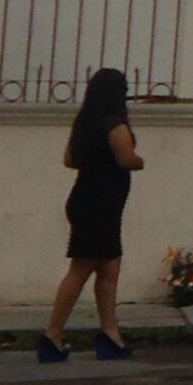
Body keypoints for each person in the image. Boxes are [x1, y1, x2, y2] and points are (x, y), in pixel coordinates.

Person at [40, 68, 144, 363]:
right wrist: (140, 160)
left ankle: (110, 334)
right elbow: (127, 159)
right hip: (101, 204)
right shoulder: (115, 125)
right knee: (81, 269)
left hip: (88, 199)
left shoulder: (85, 122)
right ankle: (53, 335)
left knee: (110, 268)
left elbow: (69, 159)